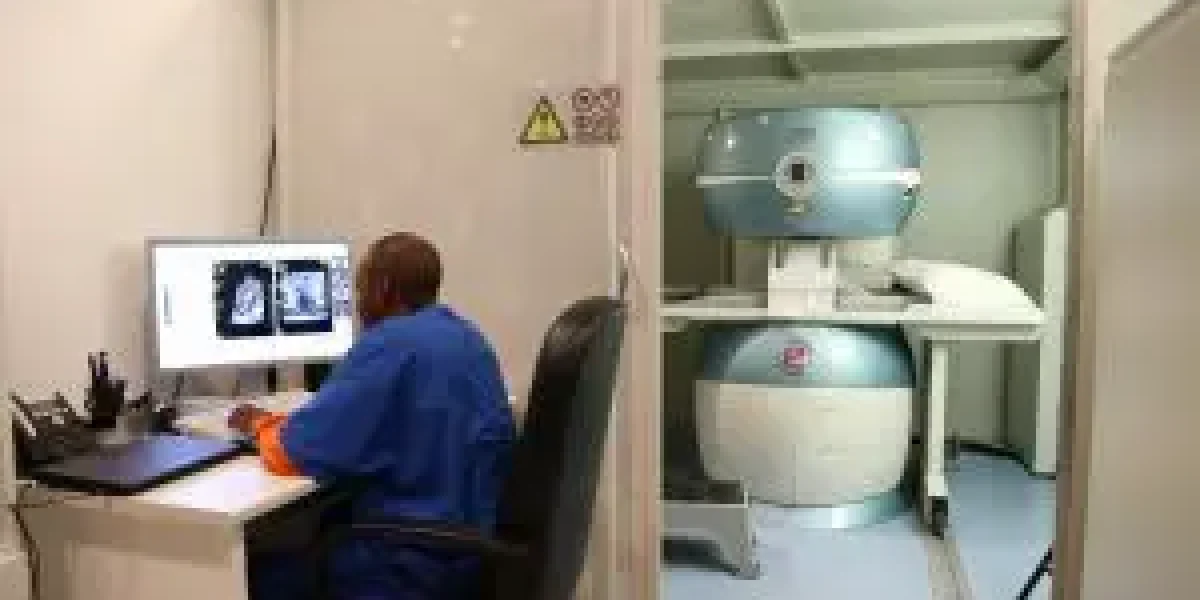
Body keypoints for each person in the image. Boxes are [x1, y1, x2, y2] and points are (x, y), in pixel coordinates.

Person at [228, 232, 516, 600]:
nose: (359, 304)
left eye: (361, 290)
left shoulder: (388, 346)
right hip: (468, 555)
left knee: (253, 576)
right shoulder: (466, 337)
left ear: (382, 290)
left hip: (404, 566)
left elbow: (294, 451)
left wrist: (257, 425)